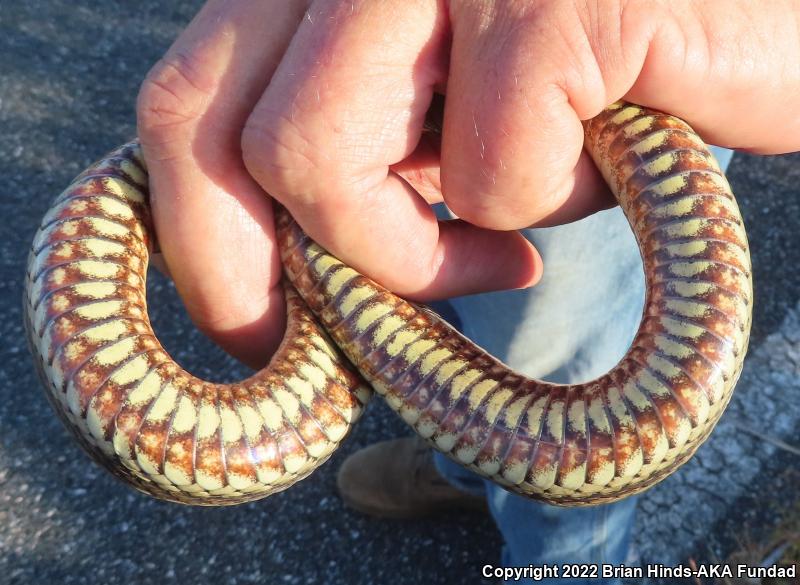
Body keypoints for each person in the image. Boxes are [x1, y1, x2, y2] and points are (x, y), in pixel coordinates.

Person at [135, 1, 800, 582]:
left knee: (558, 366)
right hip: (395, 64)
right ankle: (465, 471)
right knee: (435, 280)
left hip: (594, 69)